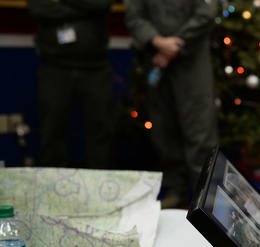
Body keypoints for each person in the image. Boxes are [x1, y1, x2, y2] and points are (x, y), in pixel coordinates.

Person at [124, 0, 219, 208]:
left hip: (192, 60)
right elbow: (134, 15)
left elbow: (207, 11)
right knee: (163, 129)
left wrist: (175, 46)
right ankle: (176, 188)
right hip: (155, 60)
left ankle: (203, 198)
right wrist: (157, 42)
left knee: (200, 130)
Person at [27, 0, 115, 169]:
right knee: (52, 129)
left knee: (101, 129)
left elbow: (102, 4)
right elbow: (37, 7)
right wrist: (85, 9)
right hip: (54, 66)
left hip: (95, 66)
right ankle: (53, 187)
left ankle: (100, 186)